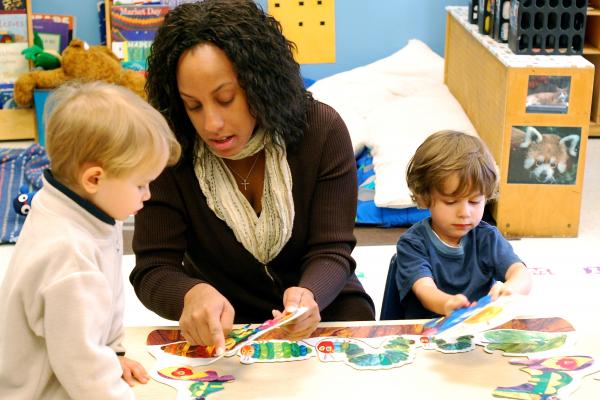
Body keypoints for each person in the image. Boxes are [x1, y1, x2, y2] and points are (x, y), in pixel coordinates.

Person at [130, 0, 375, 355]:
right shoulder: (172, 150)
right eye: (193, 105)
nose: (211, 124)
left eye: (226, 99)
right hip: (224, 326)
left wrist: (310, 294)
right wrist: (191, 294)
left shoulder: (321, 132)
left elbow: (332, 249)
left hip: (324, 308)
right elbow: (153, 269)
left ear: (261, 84)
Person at [0, 81, 181, 399]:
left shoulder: (86, 207)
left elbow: (104, 304)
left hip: (67, 370)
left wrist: (114, 355)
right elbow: (82, 368)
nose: (148, 194)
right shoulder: (69, 255)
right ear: (94, 178)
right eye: (140, 184)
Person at [390, 130, 532, 319]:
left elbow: (520, 272)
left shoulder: (487, 237)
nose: (465, 213)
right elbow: (425, 289)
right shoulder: (413, 243)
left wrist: (510, 289)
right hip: (424, 335)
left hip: (475, 335)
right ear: (425, 198)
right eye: (450, 202)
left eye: (474, 202)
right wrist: (447, 304)